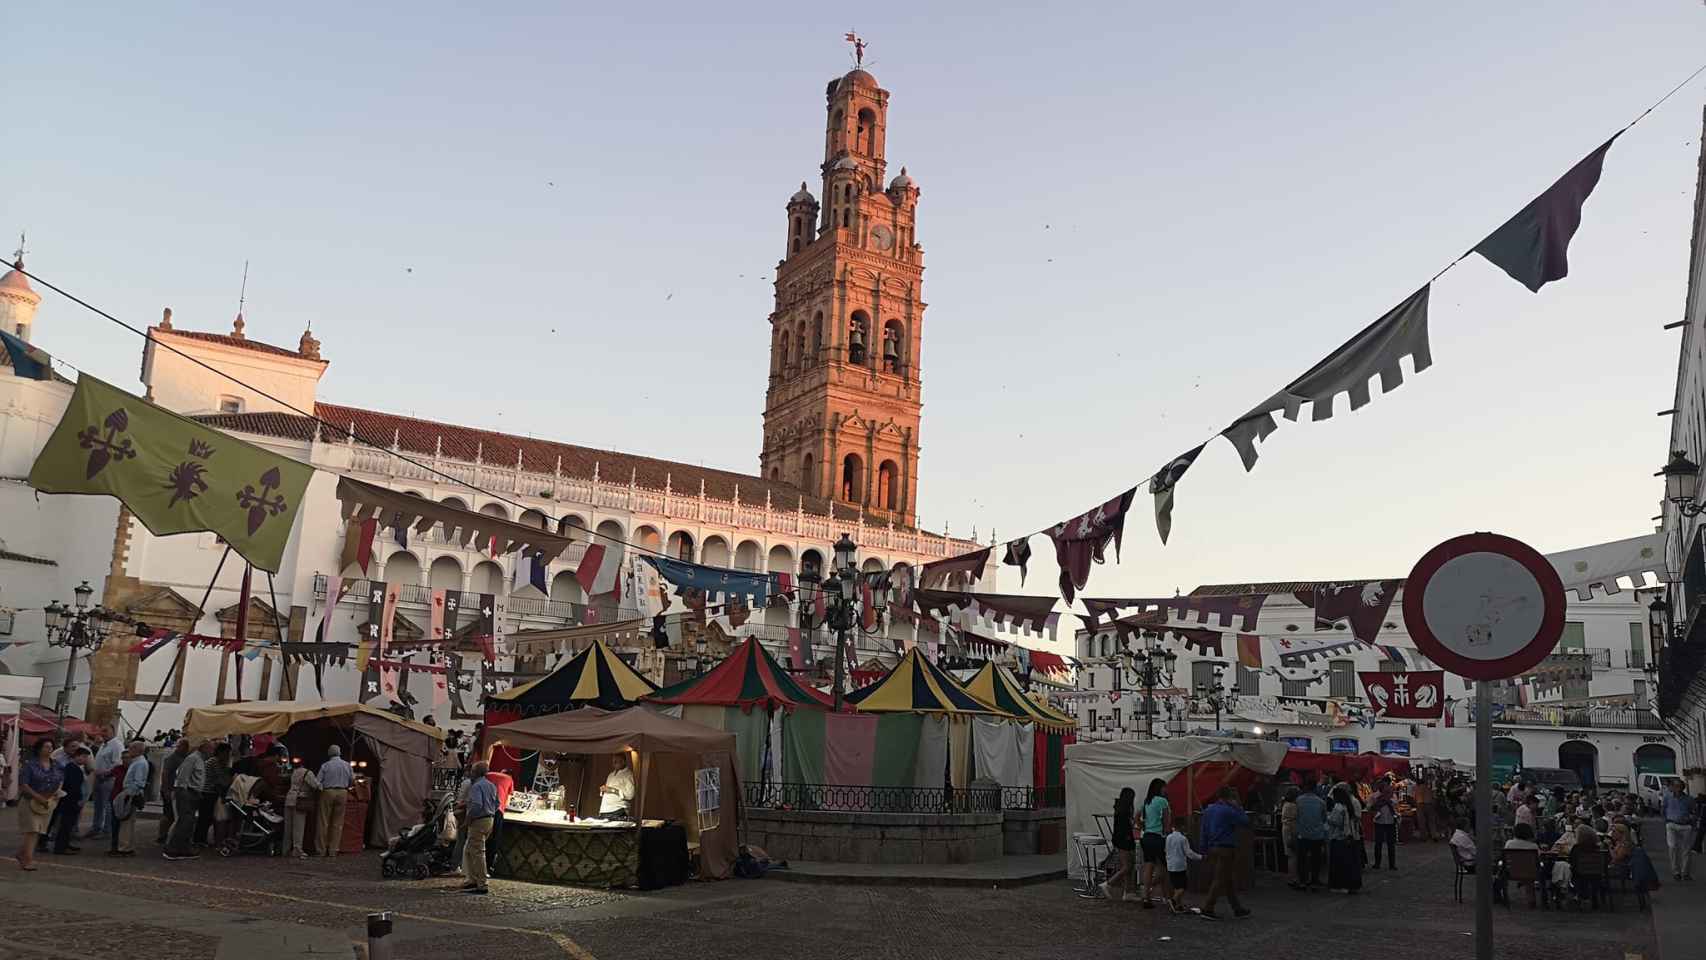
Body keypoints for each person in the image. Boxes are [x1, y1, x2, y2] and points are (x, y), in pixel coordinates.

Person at [1197, 786, 1251, 919]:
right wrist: (1238, 807)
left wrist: (1203, 849)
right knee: (1220, 879)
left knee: (1227, 879)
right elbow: (1245, 821)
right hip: (1226, 848)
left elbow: (1203, 830)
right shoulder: (1229, 811)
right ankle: (1208, 907)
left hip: (1212, 847)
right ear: (1229, 798)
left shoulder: (1208, 810)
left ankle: (1237, 908)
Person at [16, 738, 63, 872]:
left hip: (48, 802)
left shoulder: (56, 764)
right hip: (30, 801)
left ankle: (22, 854)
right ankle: (27, 860)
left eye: (51, 747)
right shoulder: (30, 765)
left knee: (38, 831)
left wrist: (55, 794)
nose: (49, 749)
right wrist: (38, 797)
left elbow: (60, 779)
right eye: (46, 747)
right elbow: (24, 784)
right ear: (39, 749)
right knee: (32, 830)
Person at [164, 740, 208, 861]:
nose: (212, 750)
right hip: (187, 793)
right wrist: (183, 793)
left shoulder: (200, 759)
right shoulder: (192, 758)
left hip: (193, 793)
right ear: (203, 747)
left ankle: (184, 847)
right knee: (184, 821)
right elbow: (182, 778)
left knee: (189, 822)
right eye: (210, 747)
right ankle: (173, 848)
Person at [461, 761, 499, 895]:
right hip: (489, 820)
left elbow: (476, 805)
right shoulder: (491, 785)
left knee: (477, 852)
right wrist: (490, 812)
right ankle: (472, 879)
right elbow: (497, 803)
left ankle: (481, 884)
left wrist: (468, 819)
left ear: (476, 773)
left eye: (472, 771)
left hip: (479, 821)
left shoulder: (476, 786)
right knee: (470, 850)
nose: (470, 773)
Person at [109, 741, 149, 857]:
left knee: (126, 823)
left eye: (131, 748)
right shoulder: (137, 762)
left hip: (130, 794)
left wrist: (128, 795)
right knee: (128, 822)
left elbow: (138, 782)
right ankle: (126, 846)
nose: (129, 750)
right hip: (129, 792)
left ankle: (124, 848)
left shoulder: (139, 763)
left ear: (137, 750)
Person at [1137, 777, 1172, 909]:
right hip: (1158, 837)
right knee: (1163, 868)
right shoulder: (1163, 801)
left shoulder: (1147, 801)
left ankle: (1146, 895)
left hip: (1146, 837)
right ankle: (1167, 896)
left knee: (1149, 866)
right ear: (1159, 788)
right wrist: (1167, 833)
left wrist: (1143, 827)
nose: (1165, 790)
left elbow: (1136, 817)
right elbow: (1166, 821)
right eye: (1164, 787)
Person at [52, 746, 92, 855]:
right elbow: (73, 787)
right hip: (70, 801)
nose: (85, 760)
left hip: (71, 800)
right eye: (84, 757)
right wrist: (78, 800)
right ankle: (60, 847)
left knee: (69, 825)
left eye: (86, 757)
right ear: (77, 756)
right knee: (66, 825)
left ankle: (65, 844)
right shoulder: (72, 768)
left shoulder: (75, 768)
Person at [1099, 787, 1137, 902]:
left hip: (1122, 839)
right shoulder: (1124, 810)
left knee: (1129, 866)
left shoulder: (1120, 808)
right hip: (1124, 839)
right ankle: (1108, 884)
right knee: (1127, 866)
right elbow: (1125, 826)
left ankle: (1128, 892)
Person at [316, 745, 354, 857]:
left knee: (323, 822)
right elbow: (352, 780)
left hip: (328, 792)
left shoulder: (325, 765)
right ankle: (333, 850)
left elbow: (318, 781)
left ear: (329, 753)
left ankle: (321, 850)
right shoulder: (347, 765)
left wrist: (321, 788)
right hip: (343, 792)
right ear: (339, 753)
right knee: (338, 823)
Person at [1291, 777, 1327, 891]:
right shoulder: (1321, 802)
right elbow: (1324, 818)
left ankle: (1303, 881)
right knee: (1316, 859)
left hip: (1302, 834)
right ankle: (1314, 880)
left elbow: (1295, 817)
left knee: (1302, 859)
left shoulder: (1298, 800)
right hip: (1317, 835)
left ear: (1305, 787)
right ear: (1315, 788)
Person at [1326, 784, 1362, 894]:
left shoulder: (1338, 807)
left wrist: (1327, 816)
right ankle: (1350, 885)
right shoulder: (1348, 805)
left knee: (1338, 864)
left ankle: (1340, 885)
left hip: (1339, 837)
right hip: (1349, 837)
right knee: (1348, 863)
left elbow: (1335, 821)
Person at [284, 755, 321, 859]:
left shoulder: (294, 771)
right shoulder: (308, 773)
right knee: (298, 827)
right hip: (299, 800)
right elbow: (316, 785)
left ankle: (285, 849)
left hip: (289, 799)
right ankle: (297, 850)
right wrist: (321, 786)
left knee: (288, 827)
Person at [156, 738, 191, 846]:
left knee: (173, 815)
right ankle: (162, 835)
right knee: (168, 814)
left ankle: (168, 835)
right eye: (182, 746)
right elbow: (165, 773)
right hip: (170, 789)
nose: (185, 749)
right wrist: (166, 789)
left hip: (177, 790)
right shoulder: (172, 758)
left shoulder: (185, 757)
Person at [1164, 820, 1203, 914]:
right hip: (1180, 866)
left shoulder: (1168, 837)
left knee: (1176, 886)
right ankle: (1173, 901)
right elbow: (1189, 853)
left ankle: (1179, 905)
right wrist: (1200, 857)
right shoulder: (1183, 838)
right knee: (1183, 887)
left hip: (1170, 865)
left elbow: (1166, 850)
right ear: (1182, 826)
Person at [1663, 778, 1694, 881]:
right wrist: (1666, 820)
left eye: (1679, 786)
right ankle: (1676, 871)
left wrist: (1690, 820)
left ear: (1683, 788)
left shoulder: (1689, 799)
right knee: (1672, 847)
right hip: (1671, 824)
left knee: (1686, 850)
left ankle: (1685, 873)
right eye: (1675, 786)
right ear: (1672, 787)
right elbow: (1663, 809)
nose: (1677, 788)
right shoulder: (1667, 797)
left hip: (1685, 826)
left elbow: (1693, 811)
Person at [485, 766, 514, 874]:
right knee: (494, 838)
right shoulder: (509, 779)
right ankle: (489, 866)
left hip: (484, 808)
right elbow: (508, 800)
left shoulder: (489, 775)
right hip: (498, 810)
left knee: (481, 838)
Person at [1370, 777, 1397, 870]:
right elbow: (1370, 806)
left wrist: (1386, 799)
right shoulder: (1374, 796)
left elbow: (1395, 804)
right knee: (1378, 843)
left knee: (1391, 844)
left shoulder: (1392, 795)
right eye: (1383, 785)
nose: (1385, 786)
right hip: (1379, 821)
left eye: (1386, 785)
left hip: (1390, 821)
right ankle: (1377, 863)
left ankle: (1392, 864)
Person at [598, 754, 635, 818]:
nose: (614, 763)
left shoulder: (628, 774)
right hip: (604, 810)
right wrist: (603, 789)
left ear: (623, 762)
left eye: (616, 761)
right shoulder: (611, 775)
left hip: (617, 810)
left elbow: (630, 795)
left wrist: (612, 790)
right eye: (613, 762)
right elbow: (608, 791)